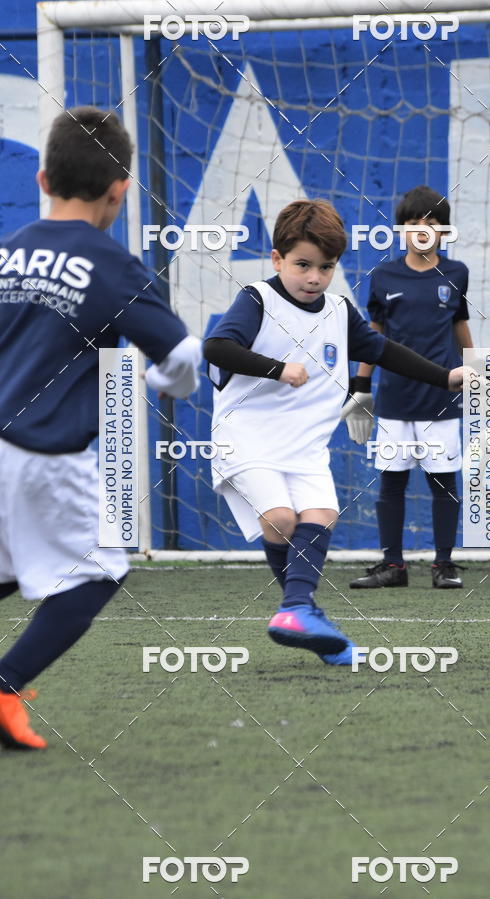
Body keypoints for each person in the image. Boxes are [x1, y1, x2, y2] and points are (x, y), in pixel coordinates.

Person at [0, 106, 200, 749]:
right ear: (119, 192)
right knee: (99, 570)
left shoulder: (9, 251)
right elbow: (183, 356)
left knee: (9, 566)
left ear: (40, 179)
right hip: (43, 452)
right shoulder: (112, 265)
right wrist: (160, 384)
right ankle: (5, 688)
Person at [203, 198, 468, 667]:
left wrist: (446, 376)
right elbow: (218, 347)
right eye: (302, 265)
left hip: (304, 446)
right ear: (277, 260)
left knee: (321, 516)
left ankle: (300, 612)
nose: (314, 278)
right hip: (244, 436)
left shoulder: (339, 311)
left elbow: (385, 350)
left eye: (326, 267)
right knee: (282, 520)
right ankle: (301, 610)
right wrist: (278, 368)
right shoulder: (256, 299)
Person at [345, 185, 473, 591]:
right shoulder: (383, 276)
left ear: (444, 231)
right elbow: (373, 334)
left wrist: (480, 373)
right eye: (413, 223)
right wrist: (361, 385)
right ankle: (393, 567)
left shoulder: (456, 274)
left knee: (443, 482)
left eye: (431, 224)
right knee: (391, 481)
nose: (422, 230)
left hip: (442, 398)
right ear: (401, 230)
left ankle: (444, 565)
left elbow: (460, 325)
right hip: (395, 399)